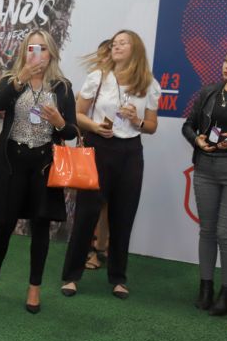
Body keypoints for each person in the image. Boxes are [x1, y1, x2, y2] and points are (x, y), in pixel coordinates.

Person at [0, 30, 77, 313]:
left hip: (44, 165)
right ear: (25, 51)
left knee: (41, 226)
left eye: (44, 49)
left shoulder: (63, 87)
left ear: (52, 53)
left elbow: (70, 131)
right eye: (33, 48)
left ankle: (34, 287)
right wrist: (20, 78)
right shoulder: (14, 81)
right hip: (13, 162)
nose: (39, 54)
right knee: (5, 224)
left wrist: (59, 122)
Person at [61, 29, 161, 300]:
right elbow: (77, 115)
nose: (116, 47)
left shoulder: (149, 84)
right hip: (99, 147)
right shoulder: (98, 77)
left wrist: (137, 120)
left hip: (131, 153)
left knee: (124, 216)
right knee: (86, 214)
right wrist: (95, 126)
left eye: (123, 43)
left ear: (135, 49)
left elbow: (152, 126)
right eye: (115, 43)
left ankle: (118, 278)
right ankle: (71, 276)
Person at [182, 46, 227, 316]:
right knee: (207, 230)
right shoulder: (209, 92)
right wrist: (198, 140)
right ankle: (205, 286)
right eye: (226, 60)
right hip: (205, 169)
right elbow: (188, 126)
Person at [81, 39, 112, 271]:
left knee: (106, 203)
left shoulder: (125, 84)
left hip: (115, 150)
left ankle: (102, 247)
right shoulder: (93, 80)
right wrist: (92, 127)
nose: (105, 59)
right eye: (103, 54)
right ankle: (88, 249)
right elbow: (76, 112)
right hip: (91, 147)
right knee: (91, 202)